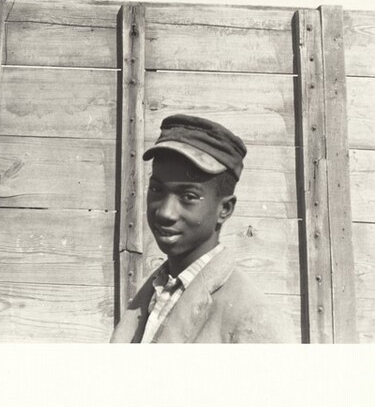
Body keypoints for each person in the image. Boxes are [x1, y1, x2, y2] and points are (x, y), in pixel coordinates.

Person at [111, 114, 294, 343]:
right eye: (157, 190)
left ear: (224, 209)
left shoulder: (255, 317)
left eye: (188, 196)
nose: (165, 212)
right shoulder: (158, 289)